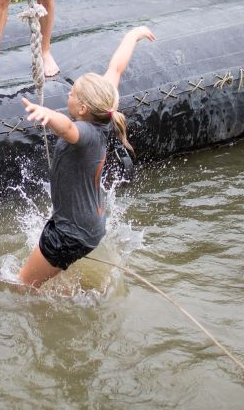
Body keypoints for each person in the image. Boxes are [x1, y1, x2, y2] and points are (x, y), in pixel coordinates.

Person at [15, 25, 157, 289]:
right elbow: (115, 70)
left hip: (71, 234)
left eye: (72, 93)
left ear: (82, 108)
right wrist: (132, 36)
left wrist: (47, 115)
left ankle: (69, 312)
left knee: (20, 286)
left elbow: (67, 128)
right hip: (89, 226)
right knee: (47, 277)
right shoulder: (105, 110)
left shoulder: (86, 133)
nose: (68, 93)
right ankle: (69, 290)